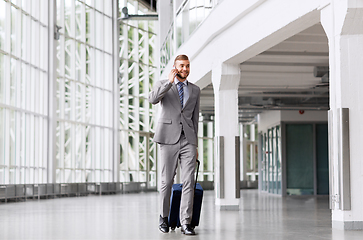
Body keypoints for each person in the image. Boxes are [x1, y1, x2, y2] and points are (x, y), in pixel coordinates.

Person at [148, 54, 200, 235]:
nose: (184, 69)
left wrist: (196, 144)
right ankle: (163, 217)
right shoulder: (163, 84)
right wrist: (169, 83)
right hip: (168, 137)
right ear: (174, 67)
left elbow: (194, 118)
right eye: (181, 66)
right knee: (167, 181)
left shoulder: (195, 90)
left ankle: (186, 222)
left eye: (187, 66)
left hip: (188, 140)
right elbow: (152, 99)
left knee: (188, 181)